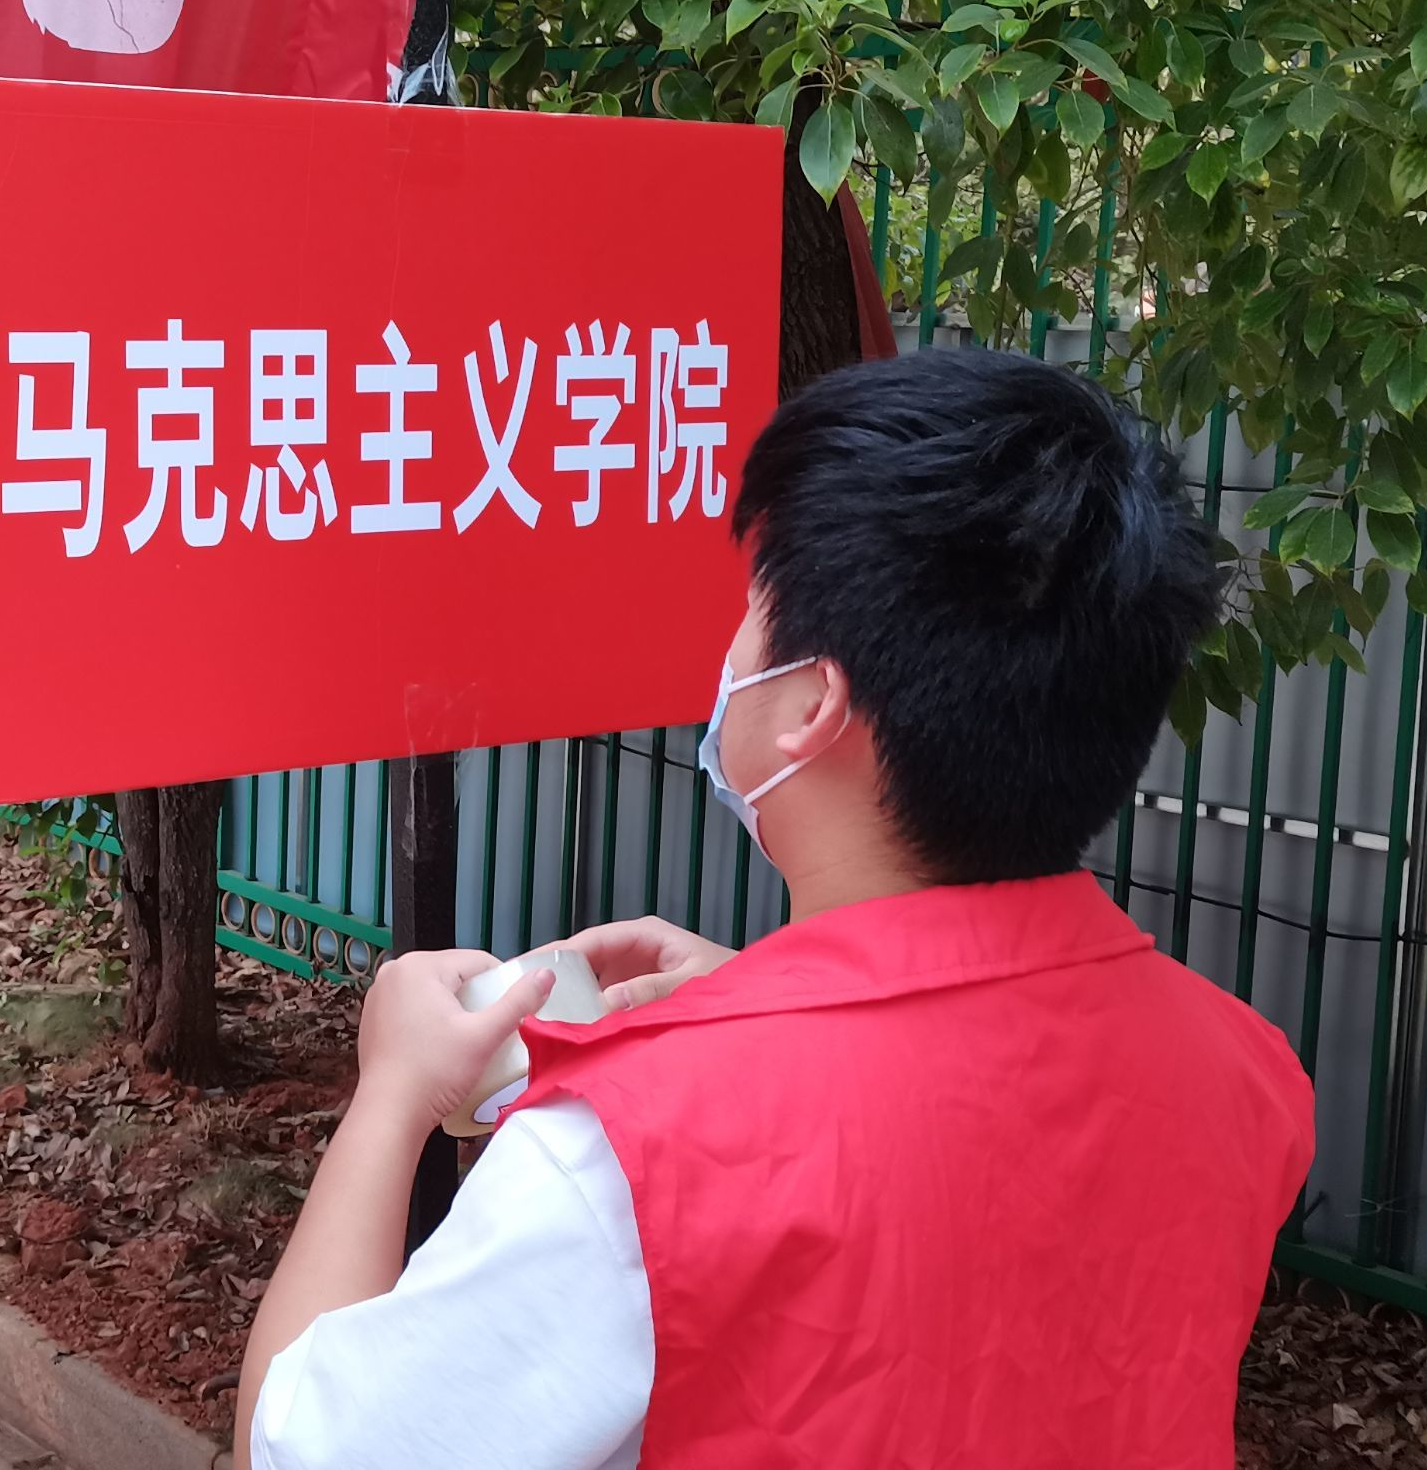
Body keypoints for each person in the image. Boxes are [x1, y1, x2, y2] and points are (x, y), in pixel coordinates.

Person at [235, 346, 1316, 1469]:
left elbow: (298, 1449)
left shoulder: (623, 1160)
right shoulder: (1246, 1076)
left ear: (810, 703)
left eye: (756, 604)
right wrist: (772, 1009)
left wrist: (393, 1090)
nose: (732, 644)